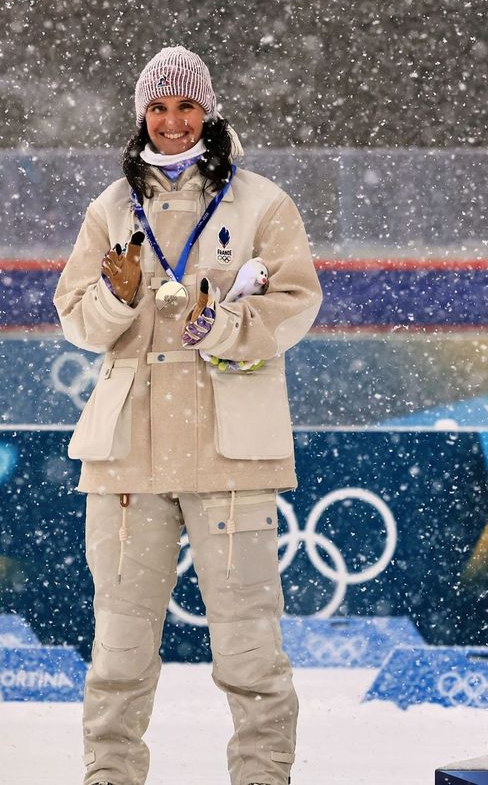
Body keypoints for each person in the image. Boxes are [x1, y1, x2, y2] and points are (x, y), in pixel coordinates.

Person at [54, 46, 322, 785]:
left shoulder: (261, 201)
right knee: (119, 651)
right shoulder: (110, 209)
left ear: (209, 111)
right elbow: (76, 318)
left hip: (229, 453)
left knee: (249, 651)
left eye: (186, 107)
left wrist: (222, 328)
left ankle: (262, 777)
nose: (172, 122)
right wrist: (116, 294)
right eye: (158, 108)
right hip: (127, 460)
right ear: (142, 115)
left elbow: (297, 302)